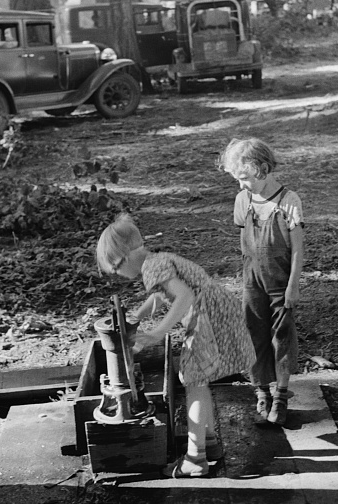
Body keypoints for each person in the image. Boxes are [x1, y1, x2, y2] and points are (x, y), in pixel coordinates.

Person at [96, 213, 254, 478]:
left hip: (207, 318)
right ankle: (209, 442)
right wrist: (137, 316)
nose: (119, 276)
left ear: (124, 256)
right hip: (218, 311)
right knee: (199, 380)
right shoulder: (157, 259)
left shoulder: (151, 267)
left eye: (115, 268)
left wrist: (158, 333)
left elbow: (184, 295)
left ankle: (195, 459)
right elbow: (161, 297)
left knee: (194, 382)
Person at [218, 138, 304, 426]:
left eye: (244, 179)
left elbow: (298, 250)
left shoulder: (289, 201)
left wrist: (293, 285)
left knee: (281, 339)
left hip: (281, 284)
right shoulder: (243, 200)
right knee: (254, 336)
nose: (241, 185)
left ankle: (280, 395)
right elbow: (246, 241)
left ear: (263, 169)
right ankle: (262, 391)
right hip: (253, 282)